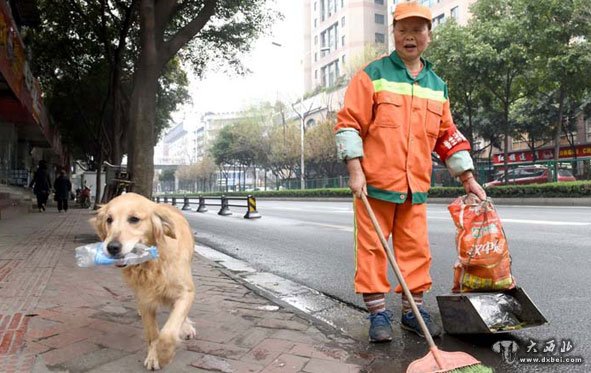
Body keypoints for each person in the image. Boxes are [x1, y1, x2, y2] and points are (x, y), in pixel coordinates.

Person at [334, 1, 487, 343]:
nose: (410, 37)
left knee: (415, 250)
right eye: (403, 30)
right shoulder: (372, 76)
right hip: (374, 185)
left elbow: (447, 135)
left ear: (428, 36)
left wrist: (468, 178)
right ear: (393, 33)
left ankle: (411, 313)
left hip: (415, 186)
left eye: (417, 30)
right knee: (373, 249)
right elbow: (348, 124)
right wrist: (355, 169)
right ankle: (378, 315)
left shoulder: (437, 85)